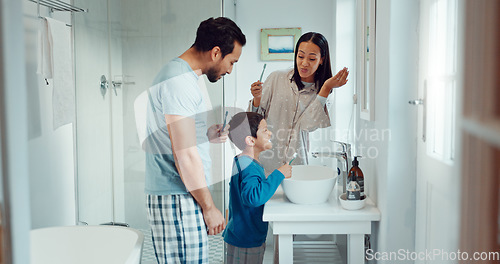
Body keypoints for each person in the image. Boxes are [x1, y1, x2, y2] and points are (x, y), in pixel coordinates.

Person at [143, 17, 246, 264]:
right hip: (177, 195)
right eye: (231, 62)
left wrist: (205, 134)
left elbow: (175, 139)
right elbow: (185, 155)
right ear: (216, 52)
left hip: (180, 194)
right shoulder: (179, 82)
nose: (230, 70)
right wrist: (209, 207)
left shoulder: (182, 76)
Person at [249, 32, 349, 174]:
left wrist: (326, 88)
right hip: (266, 160)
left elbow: (307, 125)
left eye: (312, 58)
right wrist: (257, 98)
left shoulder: (323, 93)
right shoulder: (277, 77)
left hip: (296, 165)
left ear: (322, 60)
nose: (304, 63)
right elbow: (255, 119)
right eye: (300, 56)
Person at [223, 112, 292, 264]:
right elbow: (253, 198)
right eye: (265, 130)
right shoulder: (249, 166)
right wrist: (278, 174)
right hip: (246, 240)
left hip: (242, 235)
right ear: (250, 140)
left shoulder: (244, 161)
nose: (270, 133)